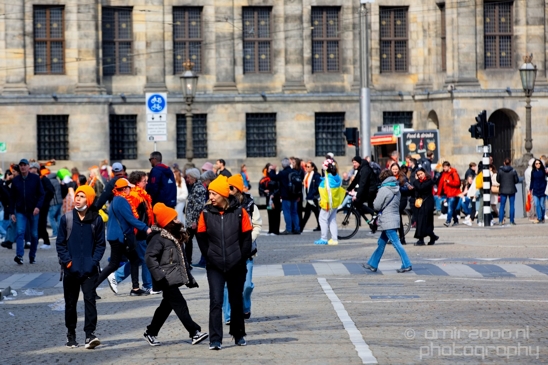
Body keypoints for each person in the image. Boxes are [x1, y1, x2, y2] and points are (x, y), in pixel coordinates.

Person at [196, 176, 252, 350]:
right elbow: (201, 238)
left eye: (213, 193)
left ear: (222, 194)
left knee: (236, 301)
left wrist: (240, 258)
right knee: (216, 301)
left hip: (236, 264)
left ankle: (239, 334)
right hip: (215, 265)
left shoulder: (240, 212)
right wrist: (210, 256)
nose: (210, 197)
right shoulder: (205, 214)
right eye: (209, 193)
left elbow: (246, 239)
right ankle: (215, 339)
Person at [143, 203, 208, 347]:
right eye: (175, 219)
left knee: (166, 307)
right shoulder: (158, 238)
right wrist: (160, 276)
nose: (178, 221)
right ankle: (194, 332)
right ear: (168, 222)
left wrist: (188, 278)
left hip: (170, 277)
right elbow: (149, 258)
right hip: (165, 278)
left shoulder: (172, 236)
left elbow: (181, 259)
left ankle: (151, 332)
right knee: (180, 304)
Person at [56, 185, 106, 349]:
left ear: (89, 199)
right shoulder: (67, 219)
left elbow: (100, 244)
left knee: (90, 301)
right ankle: (71, 334)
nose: (77, 199)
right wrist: (68, 261)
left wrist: (94, 261)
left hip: (90, 270)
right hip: (71, 270)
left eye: (82, 196)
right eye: (77, 196)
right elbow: (60, 244)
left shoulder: (96, 220)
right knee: (70, 303)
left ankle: (90, 335)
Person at [95, 178, 152, 294]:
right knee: (113, 264)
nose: (130, 190)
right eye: (129, 188)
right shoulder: (121, 201)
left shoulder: (116, 199)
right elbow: (130, 218)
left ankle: (135, 288)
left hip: (117, 236)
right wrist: (146, 228)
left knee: (135, 259)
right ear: (125, 189)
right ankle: (91, 287)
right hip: (120, 237)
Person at [108, 171, 157, 295]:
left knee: (139, 259)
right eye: (144, 181)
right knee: (144, 258)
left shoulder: (141, 195)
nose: (146, 183)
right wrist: (143, 228)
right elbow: (131, 217)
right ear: (137, 182)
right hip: (139, 233)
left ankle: (120, 278)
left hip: (142, 231)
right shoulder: (134, 196)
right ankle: (146, 285)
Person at [224, 174, 262, 324]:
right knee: (228, 286)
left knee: (246, 285)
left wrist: (248, 240)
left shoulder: (251, 205)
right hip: (230, 251)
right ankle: (228, 316)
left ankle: (246, 305)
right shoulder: (225, 204)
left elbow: (257, 225)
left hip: (247, 251)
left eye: (231, 187)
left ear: (238, 189)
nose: (228, 190)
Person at [363, 170, 412, 273]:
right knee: (381, 242)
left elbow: (376, 206)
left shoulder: (384, 189)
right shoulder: (397, 188)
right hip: (394, 218)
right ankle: (372, 264)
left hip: (387, 220)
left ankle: (407, 264)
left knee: (396, 243)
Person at [9, 159, 45, 265]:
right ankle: (19, 255)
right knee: (20, 232)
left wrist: (38, 207)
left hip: (33, 210)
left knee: (34, 234)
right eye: (21, 165)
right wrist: (12, 212)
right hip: (21, 211)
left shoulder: (35, 178)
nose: (23, 167)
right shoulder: (16, 180)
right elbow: (12, 198)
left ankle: (32, 255)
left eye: (24, 165)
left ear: (28, 167)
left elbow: (41, 194)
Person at [314, 159, 345, 245]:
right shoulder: (337, 178)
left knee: (322, 219)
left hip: (327, 203)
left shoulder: (327, 181)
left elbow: (323, 191)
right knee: (332, 220)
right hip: (334, 203)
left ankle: (324, 238)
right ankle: (334, 239)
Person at [269, 158, 300, 234]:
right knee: (294, 212)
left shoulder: (282, 173)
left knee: (287, 212)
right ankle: (297, 228)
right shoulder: (295, 172)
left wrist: (272, 169)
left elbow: (273, 177)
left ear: (282, 165)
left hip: (286, 196)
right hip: (295, 195)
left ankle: (288, 229)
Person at [184, 168, 207, 266]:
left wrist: (194, 221)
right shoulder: (194, 186)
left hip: (195, 221)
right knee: (188, 241)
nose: (187, 179)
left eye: (188, 177)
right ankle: (188, 262)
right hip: (192, 220)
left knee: (200, 242)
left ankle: (189, 262)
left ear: (193, 177)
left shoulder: (198, 188)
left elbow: (198, 206)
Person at [412, 168, 438, 245]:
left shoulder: (429, 181)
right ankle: (424, 238)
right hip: (420, 203)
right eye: (418, 175)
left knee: (427, 221)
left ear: (425, 173)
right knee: (420, 221)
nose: (420, 176)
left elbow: (421, 187)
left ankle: (429, 237)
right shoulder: (418, 182)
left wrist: (416, 182)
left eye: (421, 174)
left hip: (427, 203)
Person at [390, 162, 412, 245]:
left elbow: (406, 189)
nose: (395, 171)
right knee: (396, 219)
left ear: (398, 170)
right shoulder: (389, 177)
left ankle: (401, 238)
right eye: (393, 169)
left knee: (397, 218)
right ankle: (398, 238)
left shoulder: (402, 177)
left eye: (396, 169)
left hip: (402, 200)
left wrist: (397, 187)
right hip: (393, 200)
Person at [35, 165, 55, 249]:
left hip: (43, 205)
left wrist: (43, 198)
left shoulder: (44, 179)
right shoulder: (34, 180)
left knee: (41, 223)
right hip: (37, 205)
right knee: (38, 223)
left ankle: (46, 242)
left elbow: (50, 191)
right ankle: (37, 240)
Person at [437, 161, 461, 227]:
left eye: (445, 167)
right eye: (443, 167)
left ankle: (448, 221)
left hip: (453, 193)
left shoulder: (454, 173)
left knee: (450, 208)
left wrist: (449, 182)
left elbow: (457, 183)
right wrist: (439, 193)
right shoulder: (444, 174)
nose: (444, 168)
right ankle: (456, 220)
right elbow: (441, 184)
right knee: (452, 208)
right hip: (448, 193)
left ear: (449, 166)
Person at [259, 163, 280, 235]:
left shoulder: (277, 178)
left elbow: (279, 188)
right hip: (268, 198)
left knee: (276, 214)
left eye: (271, 169)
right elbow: (261, 188)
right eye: (269, 169)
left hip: (275, 198)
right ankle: (270, 229)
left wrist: (274, 194)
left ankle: (275, 230)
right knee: (270, 213)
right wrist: (264, 191)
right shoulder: (264, 179)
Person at [497, 158, 518, 225]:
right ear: (510, 163)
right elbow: (516, 180)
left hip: (503, 189)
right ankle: (511, 221)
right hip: (512, 189)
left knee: (502, 206)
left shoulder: (500, 171)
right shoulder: (513, 171)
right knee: (512, 205)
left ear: (504, 163)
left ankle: (500, 221)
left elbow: (498, 180)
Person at [301, 161, 321, 232]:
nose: (306, 168)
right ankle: (320, 226)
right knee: (316, 212)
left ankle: (301, 228)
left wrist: (312, 194)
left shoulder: (316, 175)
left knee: (307, 213)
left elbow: (317, 186)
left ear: (313, 168)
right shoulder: (307, 175)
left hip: (313, 197)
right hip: (309, 196)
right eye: (306, 166)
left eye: (308, 167)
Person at [529, 159, 547, 224]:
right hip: (535, 190)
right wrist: (530, 189)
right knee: (537, 204)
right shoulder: (533, 171)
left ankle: (542, 217)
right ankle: (539, 218)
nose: (538, 165)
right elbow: (532, 180)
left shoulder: (543, 171)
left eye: (539, 163)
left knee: (542, 204)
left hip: (542, 190)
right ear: (534, 164)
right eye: (536, 163)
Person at [47, 170, 63, 238]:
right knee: (58, 217)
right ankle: (60, 233)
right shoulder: (56, 180)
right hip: (59, 201)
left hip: (54, 202)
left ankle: (55, 233)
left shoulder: (50, 181)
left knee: (50, 218)